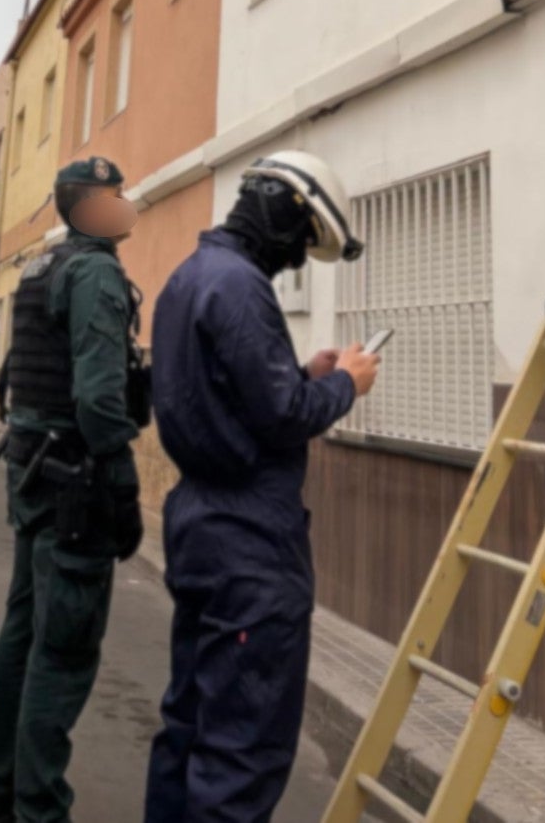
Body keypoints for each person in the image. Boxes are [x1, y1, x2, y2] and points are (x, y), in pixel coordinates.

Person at [143, 150, 380, 823]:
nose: (299, 260)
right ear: (285, 210)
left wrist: (303, 371)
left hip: (196, 523)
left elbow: (232, 396)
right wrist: (343, 385)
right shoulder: (240, 284)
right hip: (248, 540)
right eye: (304, 241)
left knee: (187, 725)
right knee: (242, 749)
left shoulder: (191, 276)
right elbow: (280, 419)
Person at [0, 156, 145, 823]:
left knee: (22, 633)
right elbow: (101, 403)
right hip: (75, 477)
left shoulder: (42, 266)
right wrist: (124, 487)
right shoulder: (95, 271)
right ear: (88, 204)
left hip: (30, 468)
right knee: (63, 647)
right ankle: (37, 810)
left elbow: (15, 379)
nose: (125, 202)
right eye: (115, 193)